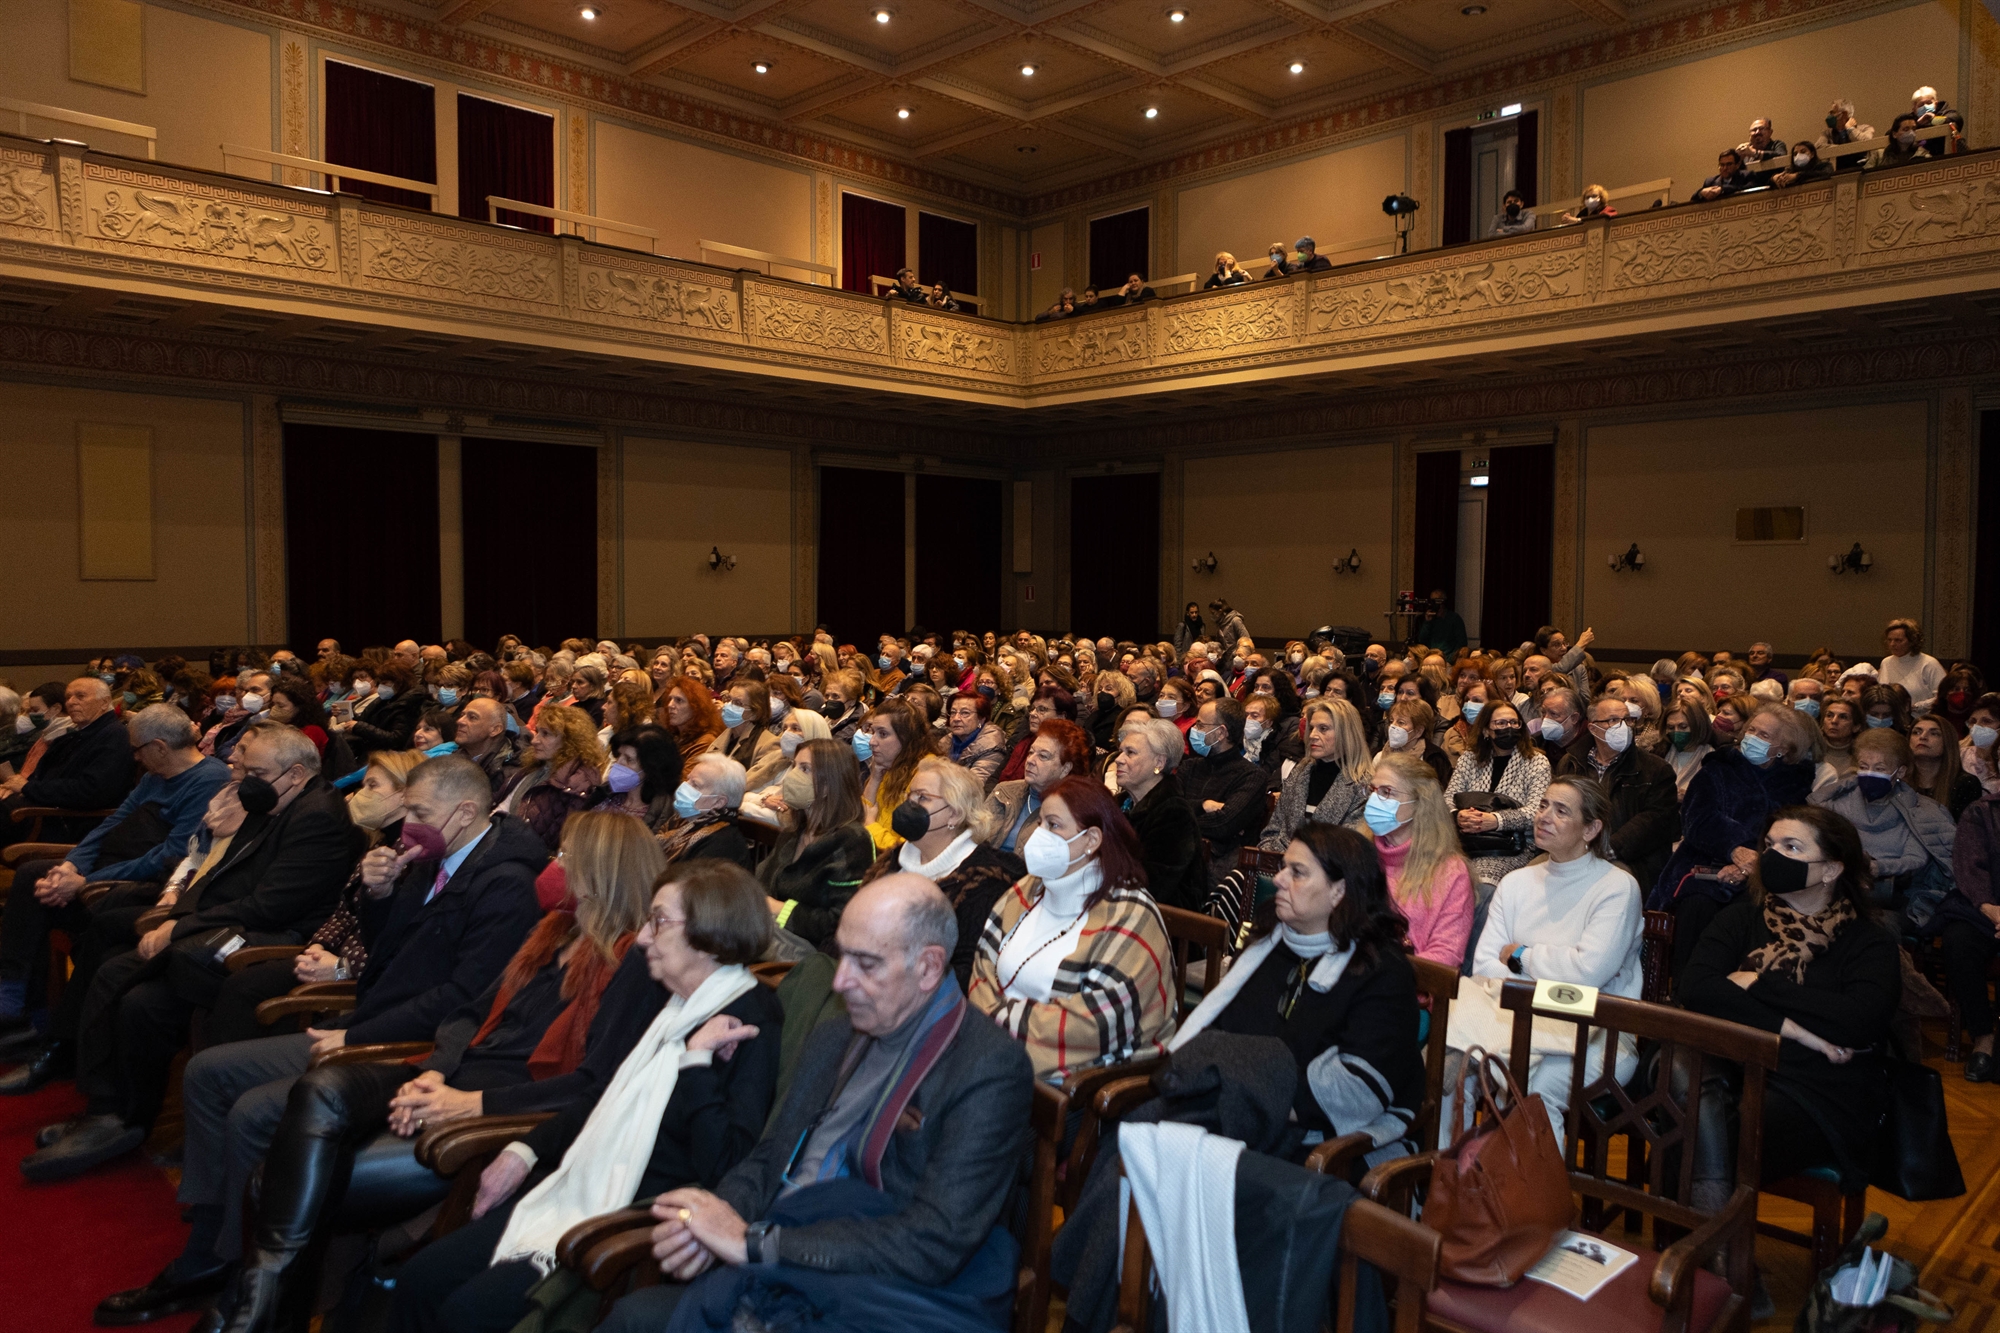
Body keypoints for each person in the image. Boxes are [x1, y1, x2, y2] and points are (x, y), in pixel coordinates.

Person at [141, 809, 654, 1333]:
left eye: (567, 857)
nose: (555, 866)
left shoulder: (626, 959)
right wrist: (438, 1070)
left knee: (279, 1180)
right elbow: (468, 1014)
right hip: (446, 1075)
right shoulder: (554, 933)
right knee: (323, 1087)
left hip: (490, 1108)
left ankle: (257, 1304)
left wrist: (468, 1102)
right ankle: (263, 1296)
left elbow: (595, 1083)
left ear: (602, 871)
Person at [603, 875, 1033, 1333]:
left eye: (865, 964)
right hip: (779, 1259)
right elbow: (770, 1157)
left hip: (876, 1292)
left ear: (928, 967)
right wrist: (713, 1222)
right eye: (842, 955)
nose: (842, 981)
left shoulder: (987, 1067)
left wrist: (756, 1242)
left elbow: (933, 1243)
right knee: (630, 1318)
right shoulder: (836, 1036)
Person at [386, 858, 781, 1333]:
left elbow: (726, 1161)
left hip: (628, 1213)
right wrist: (525, 1146)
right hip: (583, 1180)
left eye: (659, 921)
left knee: (465, 1314)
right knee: (420, 1279)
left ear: (710, 930)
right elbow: (605, 1095)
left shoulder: (751, 1016)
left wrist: (695, 1062)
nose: (642, 938)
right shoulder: (675, 1004)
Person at [18, 724, 359, 1179]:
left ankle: (101, 1106)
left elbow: (271, 904)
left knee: (119, 971)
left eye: (255, 770)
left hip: (275, 942)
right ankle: (121, 1117)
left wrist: (179, 924)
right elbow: (221, 875)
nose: (243, 779)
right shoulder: (274, 798)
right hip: (234, 925)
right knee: (141, 1004)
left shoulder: (317, 816)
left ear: (296, 773)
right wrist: (176, 911)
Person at [1678, 806, 1901, 1202]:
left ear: (1831, 869)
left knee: (1699, 1132)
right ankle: (1718, 1252)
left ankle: (1704, 1247)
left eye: (1792, 847)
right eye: (1769, 845)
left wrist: (1758, 984)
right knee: (1689, 1092)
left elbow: (1858, 1021)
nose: (1772, 856)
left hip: (1818, 1089)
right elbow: (1697, 989)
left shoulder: (1869, 941)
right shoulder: (1741, 918)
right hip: (1736, 1066)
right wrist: (1800, 1031)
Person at [1169, 822, 1423, 1162]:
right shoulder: (1268, 944)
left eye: (1298, 872)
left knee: (1169, 1149)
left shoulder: (1382, 972)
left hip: (1319, 1146)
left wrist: (1231, 1082)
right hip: (1239, 1111)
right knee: (1136, 1136)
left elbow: (1355, 1094)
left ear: (1339, 891)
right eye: (1284, 868)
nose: (1278, 879)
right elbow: (1220, 1034)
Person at [0, 705, 230, 1057]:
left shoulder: (209, 780)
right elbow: (110, 824)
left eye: (137, 749)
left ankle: (24, 1011)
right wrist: (73, 866)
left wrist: (86, 881)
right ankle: (21, 1002)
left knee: (40, 890)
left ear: (159, 747)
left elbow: (172, 854)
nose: (134, 758)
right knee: (37, 876)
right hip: (112, 867)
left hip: (144, 885)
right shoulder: (155, 777)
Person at [1452, 776, 1643, 1140]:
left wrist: (1521, 957)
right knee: (1449, 1072)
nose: (1544, 817)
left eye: (1561, 811)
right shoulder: (1516, 882)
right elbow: (1485, 967)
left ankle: (1537, 1196)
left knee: (1533, 1088)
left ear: (1591, 828)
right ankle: (1445, 1187)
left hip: (1598, 1031)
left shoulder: (1617, 887)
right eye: (1542, 806)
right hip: (1510, 1019)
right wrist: (1552, 972)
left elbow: (1589, 974)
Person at [203, 750, 427, 1047]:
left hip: (359, 975)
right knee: (238, 980)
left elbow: (401, 937)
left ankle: (225, 1075)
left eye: (373, 786)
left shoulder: (416, 855)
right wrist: (318, 946)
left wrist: (342, 967)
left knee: (246, 988)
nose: (360, 795)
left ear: (404, 794)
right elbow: (343, 911)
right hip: (330, 958)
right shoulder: (378, 840)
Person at [969, 777, 1175, 1084]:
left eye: (1053, 825)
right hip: (998, 1057)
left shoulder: (1130, 914)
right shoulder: (1027, 889)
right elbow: (982, 969)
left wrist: (993, 1032)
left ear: (1092, 839)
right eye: (1039, 823)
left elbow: (1092, 1024)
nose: (1038, 836)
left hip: (1081, 1087)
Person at [1651, 703, 1819, 975]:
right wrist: (1734, 849)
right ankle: (1684, 986)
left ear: (1783, 748)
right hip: (1704, 860)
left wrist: (1751, 862)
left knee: (1751, 912)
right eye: (1751, 729)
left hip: (1764, 868)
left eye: (1764, 735)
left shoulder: (1796, 782)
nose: (1752, 737)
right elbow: (1698, 820)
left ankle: (1734, 988)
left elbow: (1793, 833)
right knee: (1697, 905)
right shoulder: (1717, 769)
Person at [864, 757, 1024, 988]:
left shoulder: (984, 883)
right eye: (910, 795)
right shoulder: (892, 860)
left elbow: (964, 972)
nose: (909, 805)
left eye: (923, 798)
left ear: (955, 815)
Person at [1810, 728, 1956, 919]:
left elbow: (1916, 858)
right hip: (1836, 886)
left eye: (1879, 769)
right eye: (1863, 766)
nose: (1869, 774)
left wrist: (1878, 868)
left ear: (1900, 772)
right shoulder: (1834, 804)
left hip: (1891, 896)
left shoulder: (1919, 811)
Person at [756, 738, 875, 950]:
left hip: (809, 954)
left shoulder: (852, 842)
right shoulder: (793, 832)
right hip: (768, 934)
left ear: (830, 783)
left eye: (805, 769)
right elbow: (762, 884)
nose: (792, 776)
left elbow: (839, 923)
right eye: (794, 766)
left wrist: (779, 909)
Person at [1557, 694, 1682, 893]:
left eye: (1627, 720)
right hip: (1572, 850)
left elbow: (1653, 820)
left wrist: (1604, 848)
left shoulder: (1655, 769)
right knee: (1533, 878)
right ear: (1592, 728)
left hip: (1630, 858)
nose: (1623, 727)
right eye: (1613, 720)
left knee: (1594, 886)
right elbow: (1559, 808)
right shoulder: (1571, 762)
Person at [1365, 753, 1473, 969]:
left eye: (1387, 792)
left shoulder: (1451, 872)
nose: (1373, 800)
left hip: (1409, 991)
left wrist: (1382, 978)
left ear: (1419, 803)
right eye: (1372, 791)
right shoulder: (1357, 853)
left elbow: (1446, 954)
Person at [0, 675, 134, 843]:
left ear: (105, 702)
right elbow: (45, 775)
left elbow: (91, 791)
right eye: (68, 697)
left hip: (67, 821)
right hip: (43, 808)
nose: (71, 702)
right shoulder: (77, 734)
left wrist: (27, 787)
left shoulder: (114, 736)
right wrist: (15, 786)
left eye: (80, 696)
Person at [1444, 700, 1550, 906]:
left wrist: (1496, 820)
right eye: (1500, 724)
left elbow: (1536, 811)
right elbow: (1448, 798)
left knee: (1480, 888)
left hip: (1512, 846)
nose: (1508, 728)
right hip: (1467, 842)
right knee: (1437, 879)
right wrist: (1458, 815)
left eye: (1513, 722)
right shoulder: (1469, 759)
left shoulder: (1537, 762)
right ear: (1486, 730)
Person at [1111, 716, 1205, 911]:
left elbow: (1153, 886)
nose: (1118, 759)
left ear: (1159, 763)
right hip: (1118, 906)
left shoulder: (1174, 813)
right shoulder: (1119, 804)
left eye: (1130, 753)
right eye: (1120, 752)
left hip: (1164, 924)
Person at [1257, 697, 1371, 849]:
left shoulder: (1363, 785)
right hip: (1281, 864)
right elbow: (1271, 832)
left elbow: (1351, 848)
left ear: (1346, 733)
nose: (1312, 735)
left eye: (1323, 729)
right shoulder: (1299, 772)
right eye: (1312, 728)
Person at [1179, 697, 1271, 875]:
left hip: (1216, 865)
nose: (1194, 730)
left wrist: (1177, 817)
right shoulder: (1189, 766)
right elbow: (1167, 806)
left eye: (1200, 725)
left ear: (1221, 733)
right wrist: (1203, 805)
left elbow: (1224, 824)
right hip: (1179, 850)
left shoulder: (1251, 776)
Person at [987, 718, 1091, 856]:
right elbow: (973, 838)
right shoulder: (1004, 791)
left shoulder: (1072, 812)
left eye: (1043, 756)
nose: (1030, 761)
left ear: (1065, 769)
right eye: (1031, 753)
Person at [659, 754, 756, 871]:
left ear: (719, 802)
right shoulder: (682, 820)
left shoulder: (723, 845)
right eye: (688, 779)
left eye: (695, 785)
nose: (684, 786)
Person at [712, 680, 783, 792]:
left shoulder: (769, 744)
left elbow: (755, 784)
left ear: (755, 711)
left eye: (738, 703)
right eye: (729, 699)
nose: (728, 706)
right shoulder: (726, 734)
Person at [1910, 715, 1981, 820]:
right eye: (1916, 732)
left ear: (1948, 742)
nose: (1923, 737)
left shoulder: (1965, 783)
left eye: (1934, 734)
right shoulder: (1898, 780)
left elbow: (1965, 830)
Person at [1879, 616, 1945, 716]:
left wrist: (1916, 707)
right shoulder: (1886, 662)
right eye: (1889, 640)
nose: (1892, 644)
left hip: (1921, 719)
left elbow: (1942, 696)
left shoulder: (1929, 663)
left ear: (1912, 641)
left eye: (1898, 640)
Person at [943, 692, 1007, 789]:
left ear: (981, 719)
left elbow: (972, 789)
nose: (956, 718)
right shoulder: (945, 741)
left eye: (965, 713)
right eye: (953, 712)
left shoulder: (992, 748)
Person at [662, 678, 725, 771]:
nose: (670, 705)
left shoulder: (705, 741)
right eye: (670, 699)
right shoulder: (675, 735)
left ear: (696, 707)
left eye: (679, 700)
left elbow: (685, 783)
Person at [1663, 701, 1714, 799]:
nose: (1676, 732)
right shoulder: (1660, 752)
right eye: (1671, 727)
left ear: (1698, 725)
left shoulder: (1711, 758)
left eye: (1683, 727)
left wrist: (1689, 797)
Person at [1817, 97, 1876, 169]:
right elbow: (1818, 147)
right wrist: (1841, 149)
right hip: (1837, 171)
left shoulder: (1865, 128)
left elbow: (1865, 143)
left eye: (1833, 112)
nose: (1829, 116)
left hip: (1861, 169)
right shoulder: (1827, 133)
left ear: (1844, 114)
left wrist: (1850, 129)